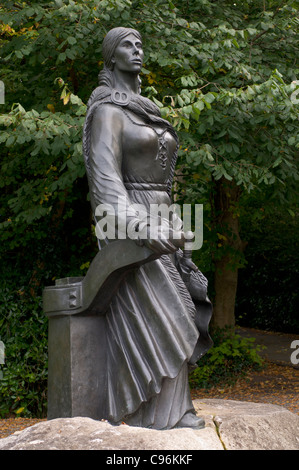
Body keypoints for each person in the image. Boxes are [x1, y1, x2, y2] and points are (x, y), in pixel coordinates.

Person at [82, 27, 212, 430]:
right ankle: (146, 414)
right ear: (111, 57)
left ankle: (177, 408)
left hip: (165, 216)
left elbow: (165, 181)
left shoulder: (146, 108)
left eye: (140, 44)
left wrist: (175, 222)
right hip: (128, 221)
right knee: (161, 313)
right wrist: (136, 224)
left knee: (183, 308)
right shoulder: (106, 112)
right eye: (127, 44)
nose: (136, 50)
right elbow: (105, 180)